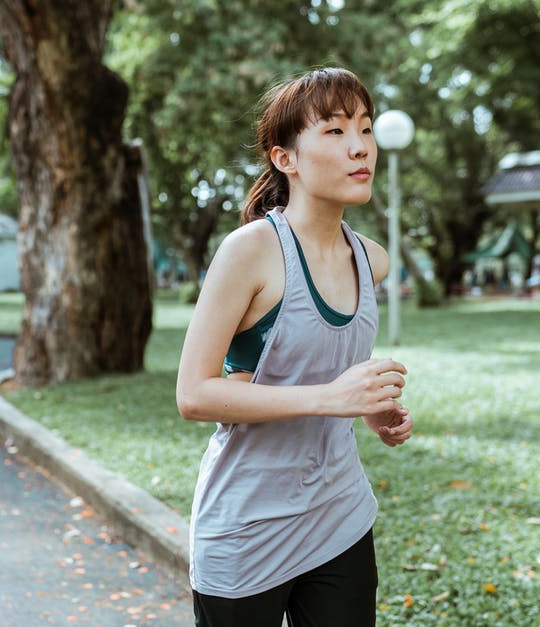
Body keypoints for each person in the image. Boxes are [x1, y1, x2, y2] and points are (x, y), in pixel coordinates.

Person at [175, 68, 414, 627]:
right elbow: (194, 394)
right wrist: (331, 398)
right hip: (247, 525)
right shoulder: (250, 252)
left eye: (365, 127)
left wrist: (369, 408)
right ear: (286, 159)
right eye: (334, 131)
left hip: (339, 517)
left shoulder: (372, 260)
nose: (360, 146)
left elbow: (325, 369)